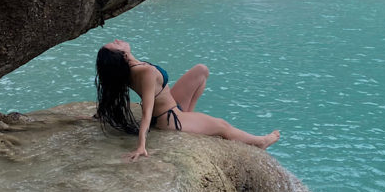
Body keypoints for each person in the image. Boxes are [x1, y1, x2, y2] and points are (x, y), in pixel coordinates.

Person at [94, 39, 280, 162]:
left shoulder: (127, 71)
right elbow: (146, 112)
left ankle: (191, 120)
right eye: (114, 44)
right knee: (222, 126)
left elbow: (111, 95)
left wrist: (100, 113)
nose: (117, 40)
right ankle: (260, 142)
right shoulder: (145, 72)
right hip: (170, 118)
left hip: (172, 104)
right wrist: (141, 145)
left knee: (201, 71)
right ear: (122, 55)